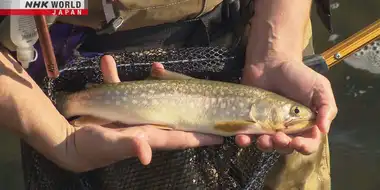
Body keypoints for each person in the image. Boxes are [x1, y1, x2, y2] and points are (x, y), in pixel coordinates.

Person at [0, 0, 338, 189]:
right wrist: (57, 137)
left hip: (255, 21)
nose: (300, 117)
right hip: (64, 37)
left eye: (292, 113)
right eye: (294, 113)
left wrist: (275, 48)